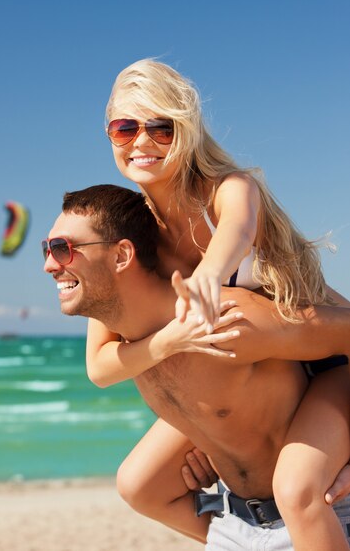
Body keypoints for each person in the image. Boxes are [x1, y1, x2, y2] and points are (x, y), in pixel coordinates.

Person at [84, 59, 350, 550]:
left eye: (160, 128)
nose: (141, 142)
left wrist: (208, 275)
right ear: (109, 135)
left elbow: (237, 232)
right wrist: (210, 435)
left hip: (327, 362)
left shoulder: (230, 189)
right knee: (140, 484)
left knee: (297, 491)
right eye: (125, 128)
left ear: (185, 131)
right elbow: (101, 365)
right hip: (256, 381)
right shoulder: (131, 227)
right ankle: (241, 536)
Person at [43, 184, 350, 550]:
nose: (49, 265)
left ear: (122, 256)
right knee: (136, 484)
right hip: (233, 524)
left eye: (63, 249)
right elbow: (98, 371)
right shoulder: (128, 343)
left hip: (321, 513)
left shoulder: (225, 319)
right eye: (47, 250)